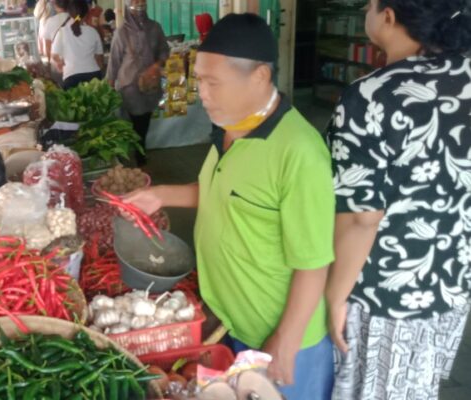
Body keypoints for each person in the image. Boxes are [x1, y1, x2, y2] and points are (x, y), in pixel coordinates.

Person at [124, 14, 336, 399]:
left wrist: (285, 342)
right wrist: (161, 195)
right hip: (229, 325)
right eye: (199, 80)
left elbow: (313, 262)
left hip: (282, 342)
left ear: (258, 77)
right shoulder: (233, 126)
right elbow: (220, 191)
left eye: (212, 82)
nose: (202, 92)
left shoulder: (299, 153)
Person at [325, 1, 471, 398]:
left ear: (388, 16)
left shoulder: (371, 96)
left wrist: (335, 296)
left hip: (384, 293)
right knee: (417, 386)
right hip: (451, 281)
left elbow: (361, 218)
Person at [106, 0, 168, 166]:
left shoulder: (155, 28)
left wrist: (156, 65)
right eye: (134, 0)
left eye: (142, 0)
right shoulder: (122, 32)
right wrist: (109, 86)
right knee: (134, 122)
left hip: (150, 86)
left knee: (143, 121)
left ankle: (139, 151)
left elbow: (164, 51)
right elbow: (114, 61)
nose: (139, 3)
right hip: (129, 87)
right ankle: (137, 156)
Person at [51, 0, 104, 90]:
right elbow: (100, 60)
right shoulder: (93, 32)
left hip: (71, 78)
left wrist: (62, 62)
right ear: (87, 14)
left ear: (69, 12)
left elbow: (54, 55)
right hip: (93, 76)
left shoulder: (62, 32)